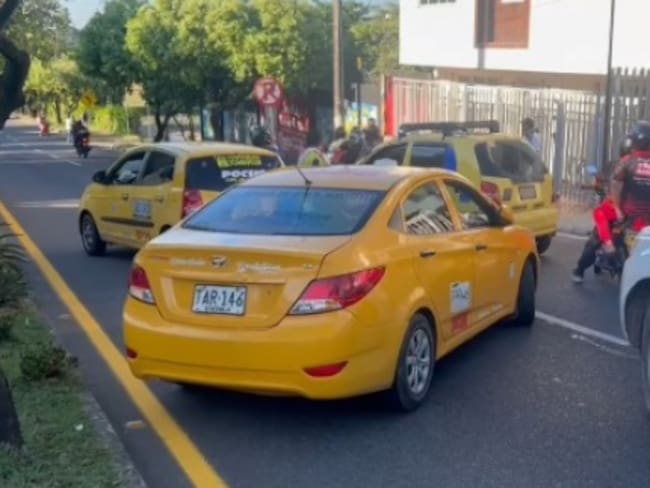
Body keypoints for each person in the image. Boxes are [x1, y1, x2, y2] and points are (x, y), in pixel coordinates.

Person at [572, 123, 650, 282]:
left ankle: (581, 270)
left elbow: (614, 184)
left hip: (624, 213)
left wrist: (617, 207)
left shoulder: (624, 162)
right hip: (642, 218)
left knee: (596, 235)